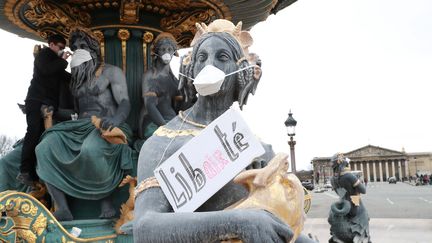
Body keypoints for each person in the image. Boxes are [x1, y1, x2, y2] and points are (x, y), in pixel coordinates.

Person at [133, 20, 316, 243]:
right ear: (191, 69)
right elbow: (145, 228)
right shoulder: (162, 143)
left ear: (240, 71)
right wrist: (237, 222)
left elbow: (281, 231)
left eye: (222, 57)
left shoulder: (258, 149)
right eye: (202, 58)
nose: (210, 65)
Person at [35, 27, 134, 221]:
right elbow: (74, 112)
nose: (78, 49)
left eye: (82, 46)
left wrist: (115, 120)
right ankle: (62, 207)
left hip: (107, 125)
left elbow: (125, 102)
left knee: (91, 149)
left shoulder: (111, 72)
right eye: (75, 46)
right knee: (44, 147)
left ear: (94, 51)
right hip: (78, 126)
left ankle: (105, 200)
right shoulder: (75, 81)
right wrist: (51, 111)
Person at [17, 34, 71, 186]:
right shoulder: (44, 55)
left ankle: (33, 172)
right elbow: (48, 70)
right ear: (52, 44)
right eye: (60, 47)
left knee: (40, 136)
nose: (62, 50)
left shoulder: (55, 62)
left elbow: (66, 77)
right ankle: (24, 170)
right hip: (36, 101)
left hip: (46, 103)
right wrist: (63, 60)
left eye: (63, 48)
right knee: (33, 132)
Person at [138, 32, 181, 139]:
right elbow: (150, 105)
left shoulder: (175, 77)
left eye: (170, 49)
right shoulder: (150, 76)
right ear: (156, 52)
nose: (167, 53)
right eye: (163, 49)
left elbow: (180, 105)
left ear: (174, 52)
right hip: (153, 123)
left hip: (172, 121)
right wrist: (166, 128)